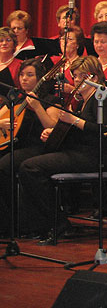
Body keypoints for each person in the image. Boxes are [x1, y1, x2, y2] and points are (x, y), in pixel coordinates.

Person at [19, 56, 107, 244]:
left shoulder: (102, 98)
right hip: (80, 153)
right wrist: (54, 133)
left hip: (94, 157)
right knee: (29, 166)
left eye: (82, 76)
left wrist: (75, 121)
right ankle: (47, 222)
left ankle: (57, 223)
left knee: (31, 168)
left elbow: (104, 131)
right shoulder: (84, 101)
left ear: (95, 77)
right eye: (75, 76)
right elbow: (79, 133)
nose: (77, 81)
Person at [0, 58, 59, 236]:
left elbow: (52, 127)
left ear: (40, 78)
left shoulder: (49, 99)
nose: (24, 78)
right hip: (15, 145)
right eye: (22, 75)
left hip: (37, 147)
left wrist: (38, 107)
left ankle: (15, 222)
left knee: (3, 166)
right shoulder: (15, 99)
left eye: (30, 75)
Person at [51, 25, 85, 94]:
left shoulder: (83, 64)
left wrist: (72, 90)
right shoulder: (53, 61)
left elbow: (88, 92)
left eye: (70, 39)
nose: (65, 42)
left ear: (77, 44)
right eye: (63, 39)